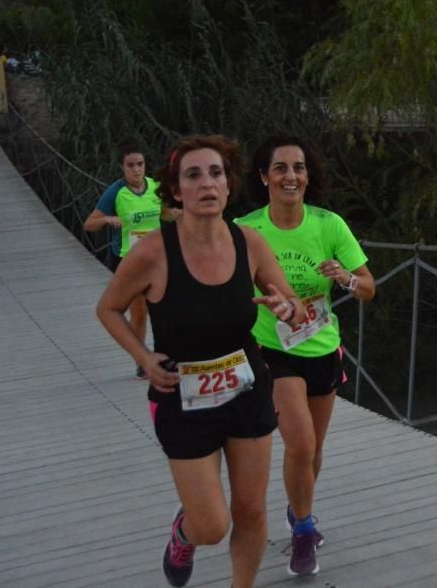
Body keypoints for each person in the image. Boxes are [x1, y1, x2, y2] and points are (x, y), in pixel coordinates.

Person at [96, 134, 309, 588]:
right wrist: (143, 356)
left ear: (229, 187)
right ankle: (184, 532)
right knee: (211, 525)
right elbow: (108, 308)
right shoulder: (153, 251)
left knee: (250, 510)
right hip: (181, 396)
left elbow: (293, 304)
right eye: (193, 175)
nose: (207, 184)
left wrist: (287, 308)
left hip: (247, 389)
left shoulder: (249, 243)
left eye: (216, 174)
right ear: (176, 190)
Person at [235, 134, 375, 576]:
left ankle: (299, 512)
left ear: (307, 176)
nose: (290, 176)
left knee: (313, 453)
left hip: (322, 347)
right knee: (301, 442)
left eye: (298, 168)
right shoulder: (245, 229)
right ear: (264, 177)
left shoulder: (328, 224)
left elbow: (369, 287)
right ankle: (303, 534)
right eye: (280, 168)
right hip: (273, 350)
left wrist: (345, 279)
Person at [84, 138, 168, 378]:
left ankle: (166, 354)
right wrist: (107, 220)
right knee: (139, 312)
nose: (136, 169)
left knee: (165, 307)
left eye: (140, 164)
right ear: (122, 167)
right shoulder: (115, 193)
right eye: (130, 165)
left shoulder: (154, 186)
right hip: (128, 260)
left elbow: (165, 213)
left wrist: (186, 215)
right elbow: (89, 224)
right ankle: (143, 361)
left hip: (157, 258)